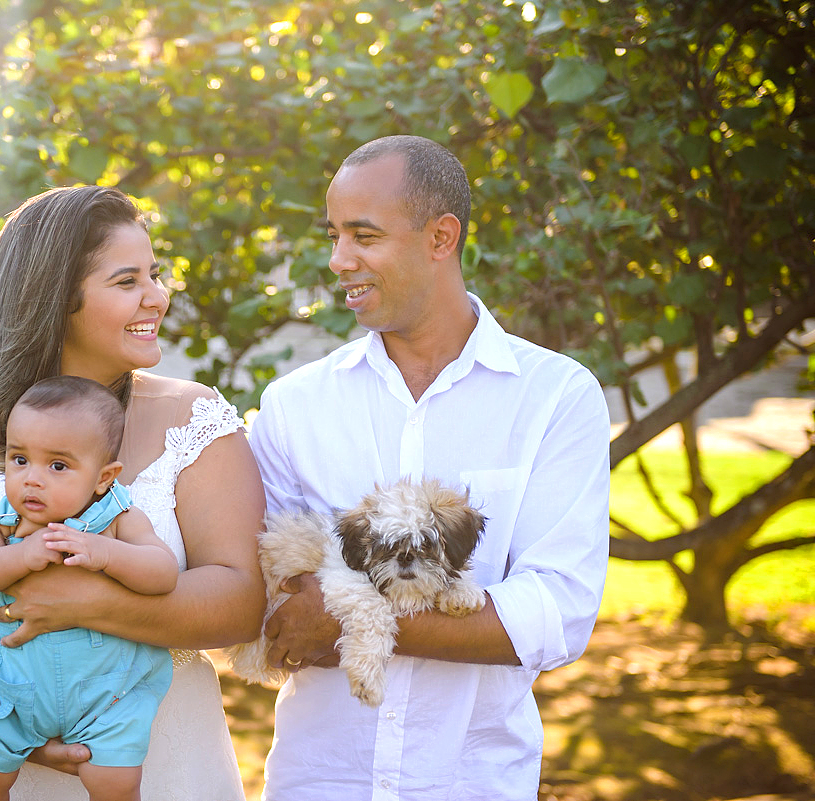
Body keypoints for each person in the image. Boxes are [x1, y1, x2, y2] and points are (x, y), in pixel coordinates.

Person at [0, 185, 266, 801]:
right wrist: (1, 726)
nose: (158, 297)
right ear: (55, 298)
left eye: (154, 275)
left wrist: (89, 603)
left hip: (157, 755)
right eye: (127, 281)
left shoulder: (195, 420)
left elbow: (240, 600)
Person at [247, 135, 610, 799]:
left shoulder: (557, 396)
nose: (338, 260)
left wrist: (346, 613)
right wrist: (438, 613)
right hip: (318, 780)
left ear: (442, 237)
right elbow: (279, 608)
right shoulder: (294, 405)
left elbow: (554, 612)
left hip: (472, 780)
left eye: (364, 236)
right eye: (334, 235)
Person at [0, 375, 178, 801]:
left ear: (104, 477)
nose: (32, 479)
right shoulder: (5, 519)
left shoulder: (116, 517)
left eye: (57, 466)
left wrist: (106, 553)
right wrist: (21, 556)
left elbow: (163, 572)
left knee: (116, 783)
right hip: (8, 686)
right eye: (20, 459)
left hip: (104, 692)